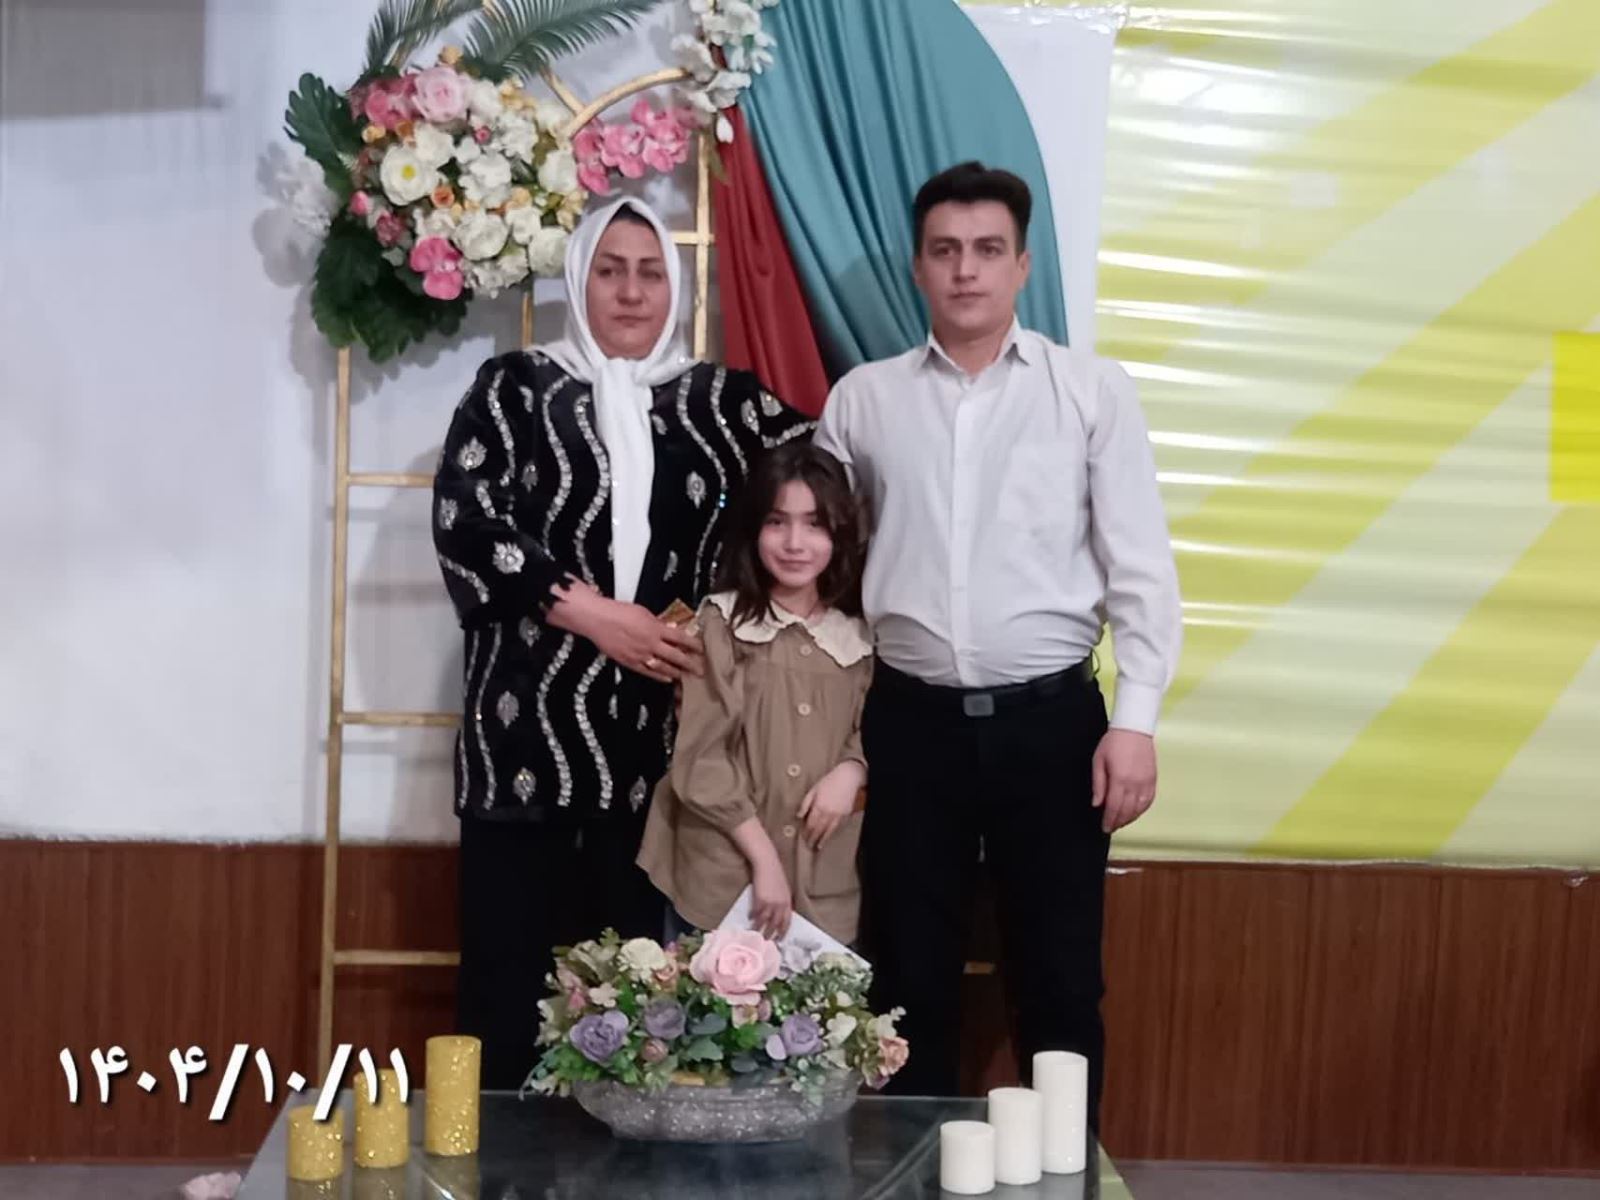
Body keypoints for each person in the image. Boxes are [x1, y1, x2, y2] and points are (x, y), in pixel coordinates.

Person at [814, 162, 1181, 1124]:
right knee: (906, 980)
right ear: (917, 267)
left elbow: (1141, 566)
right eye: (945, 251)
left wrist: (1135, 722)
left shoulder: (1090, 391)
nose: (965, 270)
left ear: (1022, 265)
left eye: (987, 250)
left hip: (1053, 726)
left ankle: (1065, 1175)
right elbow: (823, 571)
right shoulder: (862, 401)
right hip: (909, 726)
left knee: (1060, 980)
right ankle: (907, 1178)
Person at [433, 196, 812, 1088]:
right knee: (504, 991)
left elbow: (817, 497)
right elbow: (466, 525)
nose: (632, 292)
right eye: (610, 271)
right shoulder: (513, 389)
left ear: (675, 287)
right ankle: (493, 1161)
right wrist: (603, 617)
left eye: (649, 273)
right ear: (579, 281)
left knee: (639, 1008)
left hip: (656, 758)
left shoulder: (722, 405)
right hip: (522, 747)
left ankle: (615, 1162)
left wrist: (732, 635)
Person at [638, 443, 871, 946]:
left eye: (815, 524)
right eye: (776, 522)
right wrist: (764, 860)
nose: (794, 543)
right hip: (722, 875)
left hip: (823, 880)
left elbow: (877, 729)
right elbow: (701, 758)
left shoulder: (860, 637)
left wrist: (853, 770)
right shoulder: (720, 624)